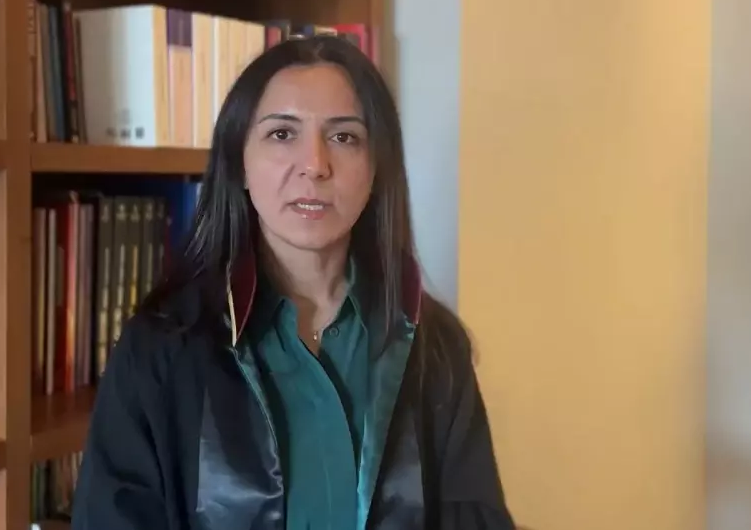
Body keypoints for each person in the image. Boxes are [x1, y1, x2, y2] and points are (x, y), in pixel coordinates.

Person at [71, 35, 514, 530]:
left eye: (344, 137)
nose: (315, 165)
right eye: (282, 134)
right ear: (240, 162)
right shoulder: (161, 349)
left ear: (376, 168)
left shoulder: (434, 346)